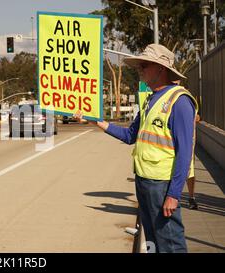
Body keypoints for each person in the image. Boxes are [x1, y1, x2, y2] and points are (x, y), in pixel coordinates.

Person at [76, 44, 198, 253]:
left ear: (160, 68)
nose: (139, 69)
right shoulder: (151, 100)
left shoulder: (179, 101)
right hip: (144, 181)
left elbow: (185, 153)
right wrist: (96, 121)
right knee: (152, 241)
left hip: (162, 185)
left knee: (170, 243)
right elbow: (130, 135)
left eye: (144, 65)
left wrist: (174, 194)